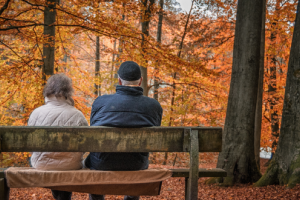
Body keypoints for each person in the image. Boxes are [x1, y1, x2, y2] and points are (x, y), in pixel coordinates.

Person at [85, 61, 163, 200]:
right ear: (140, 81)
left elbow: (93, 131)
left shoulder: (100, 102)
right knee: (136, 159)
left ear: (119, 80)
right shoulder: (153, 106)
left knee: (93, 161)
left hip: (102, 163)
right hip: (136, 164)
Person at [28, 74, 88, 200]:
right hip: (71, 165)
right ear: (68, 92)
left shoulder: (36, 113)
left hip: (41, 164)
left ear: (48, 91)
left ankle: (59, 196)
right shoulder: (77, 115)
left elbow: (30, 144)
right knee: (67, 165)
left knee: (54, 166)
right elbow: (86, 144)